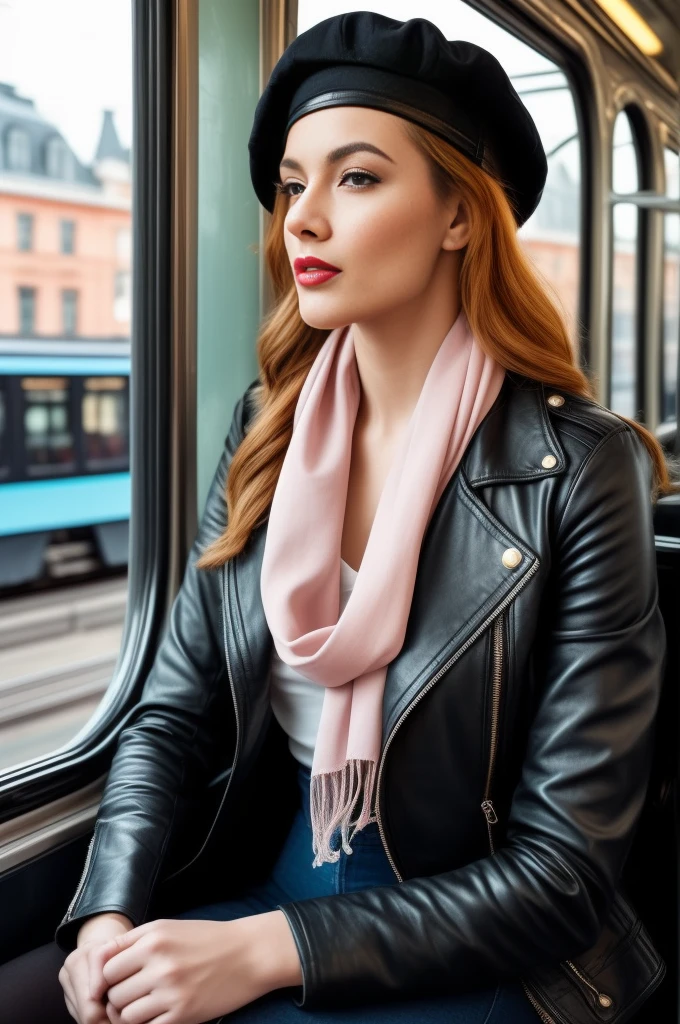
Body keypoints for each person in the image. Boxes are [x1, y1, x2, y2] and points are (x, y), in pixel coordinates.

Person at [0, 11, 673, 1024]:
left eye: (355, 178)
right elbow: (169, 716)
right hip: (278, 878)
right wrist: (106, 916)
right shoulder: (265, 432)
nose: (301, 221)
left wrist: (269, 950)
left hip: (479, 939)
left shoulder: (579, 469)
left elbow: (562, 873)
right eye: (290, 185)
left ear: (458, 215)